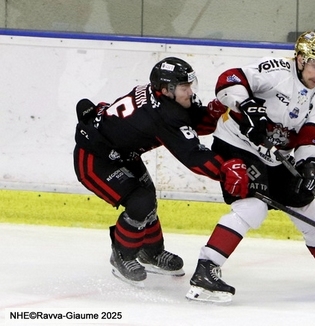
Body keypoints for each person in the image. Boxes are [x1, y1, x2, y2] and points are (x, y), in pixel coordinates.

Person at [185, 31, 315, 303]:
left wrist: (310, 162)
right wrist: (246, 105)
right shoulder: (275, 71)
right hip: (236, 145)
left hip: (276, 156)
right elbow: (229, 81)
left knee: (305, 203)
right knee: (254, 206)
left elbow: (313, 133)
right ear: (299, 59)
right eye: (314, 65)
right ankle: (206, 268)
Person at [73, 57, 249, 286]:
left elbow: (192, 124)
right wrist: (225, 170)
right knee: (140, 201)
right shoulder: (162, 116)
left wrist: (211, 113)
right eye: (185, 87)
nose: (190, 92)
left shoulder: (166, 100)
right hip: (95, 160)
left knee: (148, 199)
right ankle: (122, 255)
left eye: (190, 85)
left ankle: (150, 253)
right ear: (167, 90)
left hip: (122, 154)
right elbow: (192, 155)